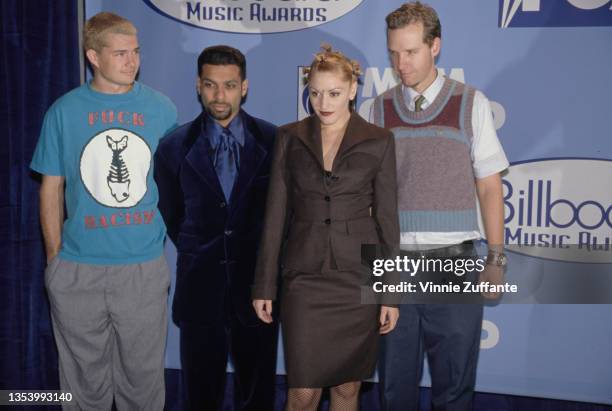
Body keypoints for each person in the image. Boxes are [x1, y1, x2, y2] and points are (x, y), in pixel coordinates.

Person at [30, 12, 177, 410]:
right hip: (77, 270)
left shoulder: (162, 109)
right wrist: (54, 259)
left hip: (142, 270)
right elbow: (51, 187)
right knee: (80, 387)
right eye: (121, 53)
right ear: (93, 56)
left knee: (143, 386)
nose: (132, 61)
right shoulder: (63, 112)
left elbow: (178, 187)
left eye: (136, 52)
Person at [370, 2, 509, 410]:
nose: (401, 62)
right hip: (394, 263)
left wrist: (496, 259)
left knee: (454, 388)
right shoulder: (376, 110)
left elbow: (489, 187)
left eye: (410, 51)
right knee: (395, 389)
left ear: (436, 46)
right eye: (394, 52)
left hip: (455, 262)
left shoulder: (470, 103)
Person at [252, 45, 400, 411]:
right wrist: (264, 284)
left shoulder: (379, 140)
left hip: (357, 280)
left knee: (348, 389)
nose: (323, 102)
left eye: (334, 93)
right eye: (315, 92)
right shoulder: (290, 137)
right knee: (302, 393)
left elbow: (387, 221)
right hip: (304, 279)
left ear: (352, 90)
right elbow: (275, 214)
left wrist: (390, 293)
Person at [154, 45, 278, 411]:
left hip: (259, 294)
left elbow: (282, 215)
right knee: (200, 395)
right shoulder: (173, 147)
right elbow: (173, 215)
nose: (219, 95)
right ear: (198, 86)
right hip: (199, 293)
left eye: (228, 85)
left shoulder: (275, 142)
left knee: (257, 397)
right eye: (210, 85)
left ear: (244, 86)